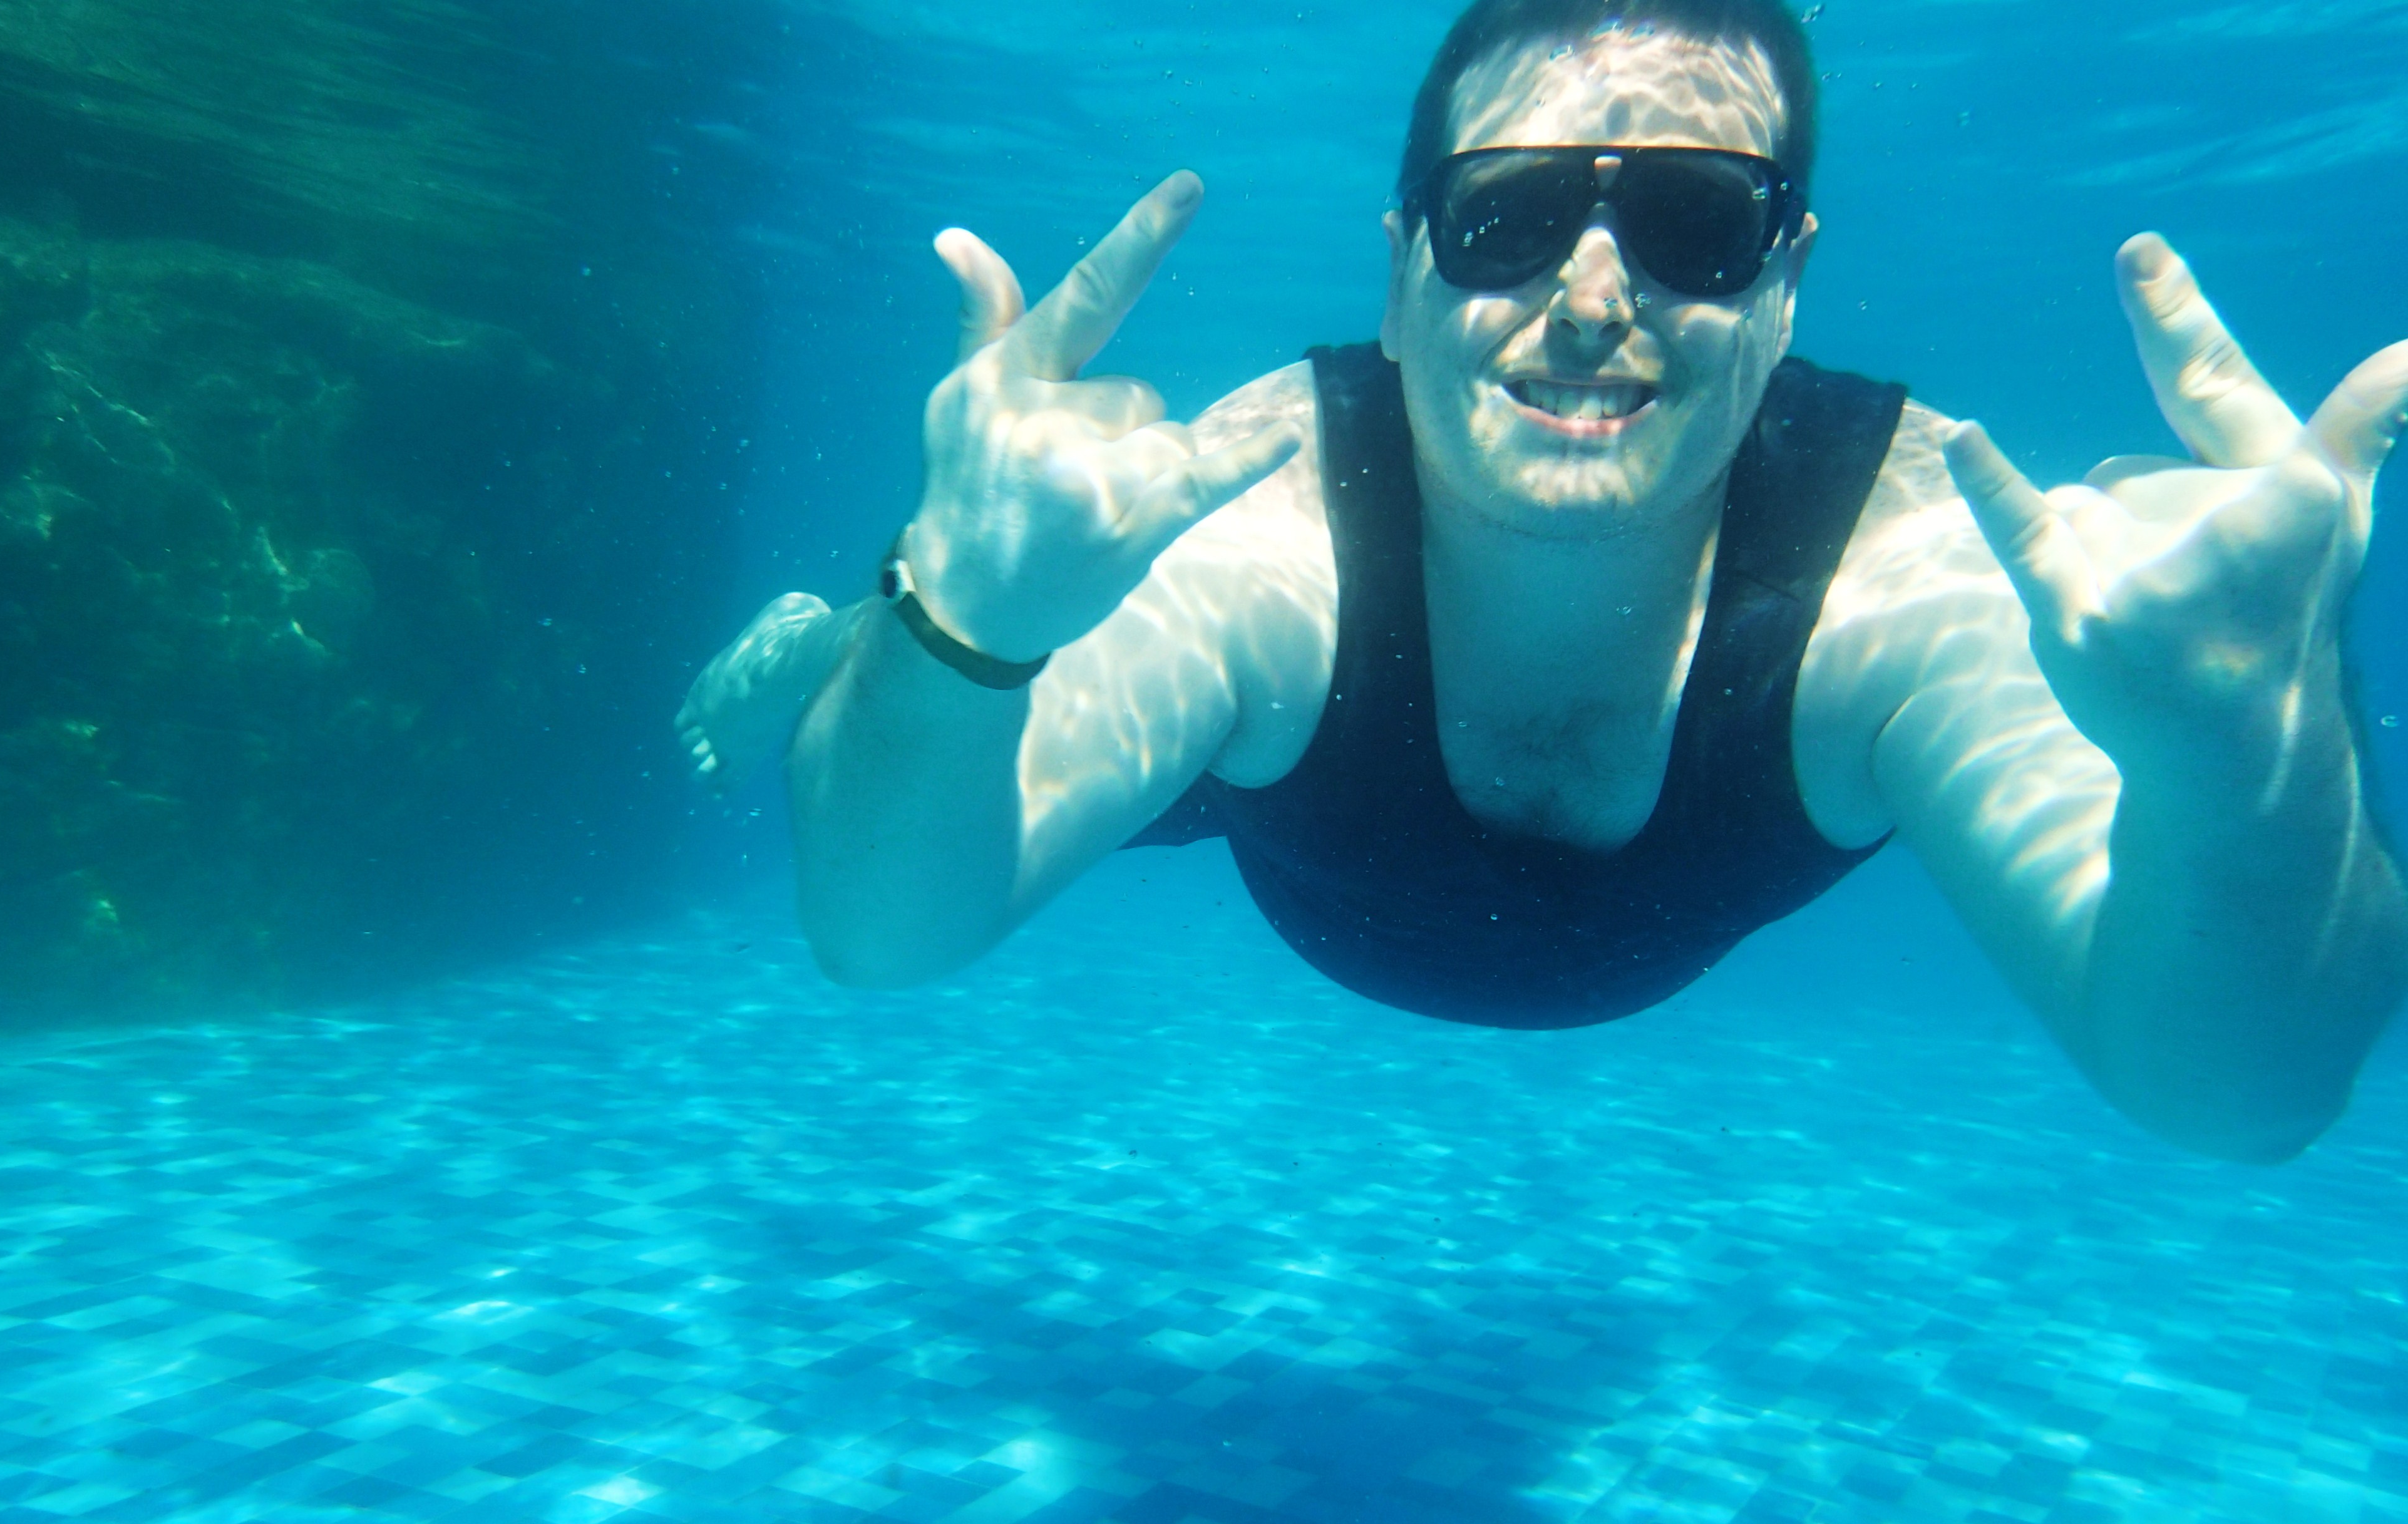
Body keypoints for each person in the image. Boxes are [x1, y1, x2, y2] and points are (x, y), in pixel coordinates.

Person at [677, 0, 2408, 1163]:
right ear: (1403, 272)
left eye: (1695, 225)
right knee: (971, 633)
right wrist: (973, 627)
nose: (1590, 300)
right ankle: (863, 626)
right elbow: (882, 935)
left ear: (1786, 281)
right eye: (1505, 219)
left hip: (1378, 819)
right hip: (1266, 779)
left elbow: (2239, 1098)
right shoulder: (1261, 526)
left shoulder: (1918, 565)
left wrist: (2251, 762)